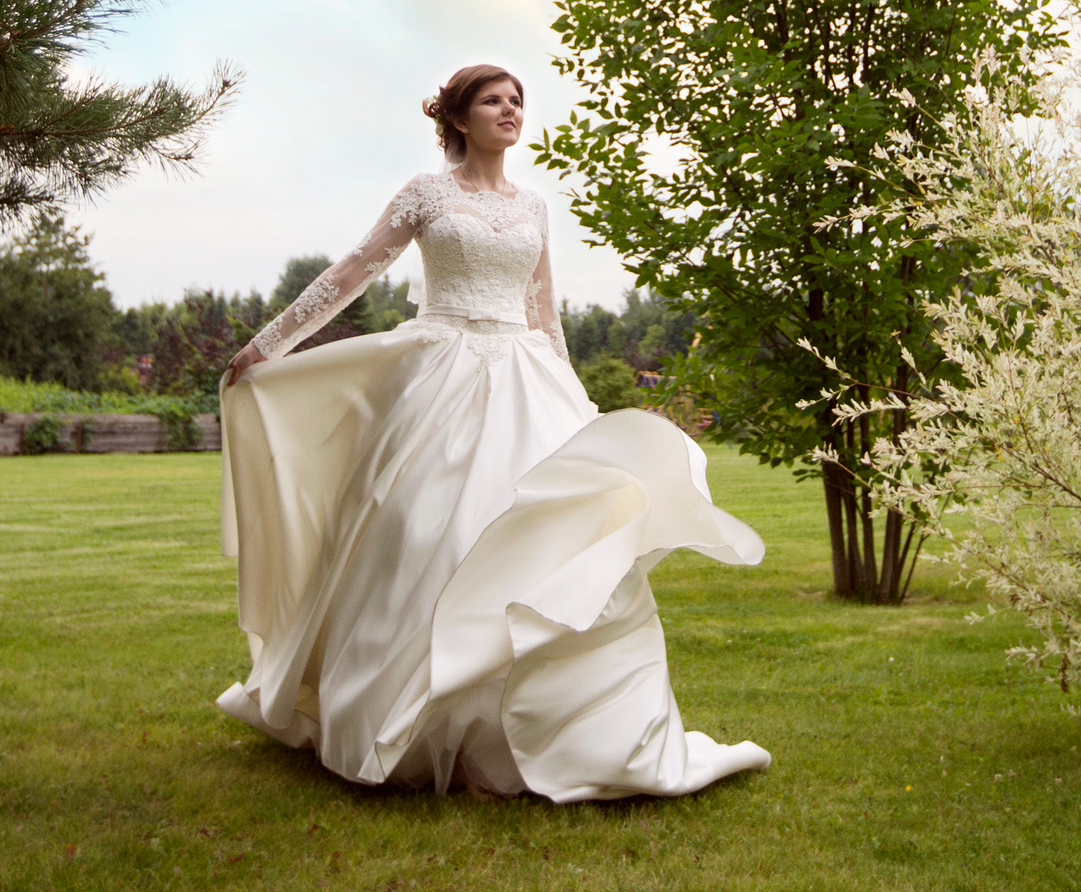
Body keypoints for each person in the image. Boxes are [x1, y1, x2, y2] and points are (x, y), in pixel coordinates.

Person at [214, 64, 771, 800]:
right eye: (492, 100)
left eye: (517, 101)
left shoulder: (533, 205)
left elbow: (545, 310)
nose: (510, 110)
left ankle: (558, 726)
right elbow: (354, 270)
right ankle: (405, 716)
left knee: (553, 533)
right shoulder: (426, 193)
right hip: (438, 377)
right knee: (418, 529)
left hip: (527, 379)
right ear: (458, 117)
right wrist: (269, 345)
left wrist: (575, 399)